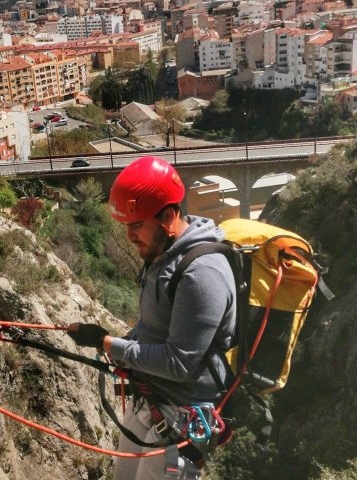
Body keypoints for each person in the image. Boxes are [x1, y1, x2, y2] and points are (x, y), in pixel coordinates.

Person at [67, 156, 237, 480]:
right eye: (126, 226)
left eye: (136, 225)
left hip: (182, 421)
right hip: (149, 398)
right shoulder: (161, 254)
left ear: (168, 217)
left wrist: (108, 344)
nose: (129, 236)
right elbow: (152, 326)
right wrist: (121, 341)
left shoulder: (203, 274)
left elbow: (178, 362)